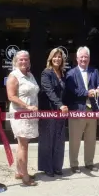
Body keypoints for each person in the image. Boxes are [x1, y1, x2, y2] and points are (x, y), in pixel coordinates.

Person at [65, 46, 99, 173]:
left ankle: (89, 162)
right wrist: (88, 93)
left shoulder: (94, 71)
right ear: (77, 58)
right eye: (81, 57)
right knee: (75, 139)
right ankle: (74, 164)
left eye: (86, 57)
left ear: (89, 58)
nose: (83, 59)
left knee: (91, 139)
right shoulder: (71, 73)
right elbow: (74, 91)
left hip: (92, 110)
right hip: (77, 110)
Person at [6, 50, 39, 186]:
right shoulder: (13, 76)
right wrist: (27, 106)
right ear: (16, 61)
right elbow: (11, 96)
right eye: (21, 60)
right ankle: (25, 177)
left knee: (22, 144)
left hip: (30, 115)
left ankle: (20, 171)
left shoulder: (30, 75)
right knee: (23, 145)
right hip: (20, 114)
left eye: (26, 59)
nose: (24, 62)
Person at [38, 48, 69, 177]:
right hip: (49, 111)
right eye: (55, 57)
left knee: (59, 139)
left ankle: (57, 166)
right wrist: (60, 105)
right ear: (50, 58)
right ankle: (47, 167)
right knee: (48, 140)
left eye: (59, 57)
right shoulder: (46, 73)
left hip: (60, 113)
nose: (57, 59)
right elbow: (49, 91)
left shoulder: (62, 73)